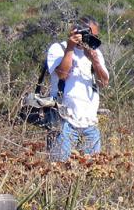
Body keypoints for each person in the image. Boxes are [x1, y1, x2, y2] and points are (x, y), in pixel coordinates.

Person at [46, 16, 109, 161]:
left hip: (90, 122)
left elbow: (104, 82)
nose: (91, 39)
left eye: (95, 36)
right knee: (59, 168)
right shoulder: (59, 49)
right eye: (89, 34)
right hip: (63, 120)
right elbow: (62, 75)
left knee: (92, 169)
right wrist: (70, 48)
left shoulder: (96, 53)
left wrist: (95, 61)